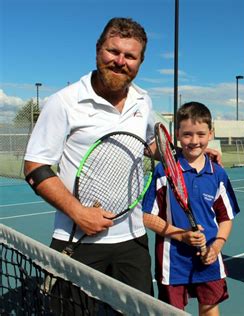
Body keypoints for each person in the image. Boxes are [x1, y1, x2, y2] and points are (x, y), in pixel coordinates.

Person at [23, 17, 156, 294]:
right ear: (98, 50)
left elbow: (149, 145)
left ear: (140, 63)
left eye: (130, 56)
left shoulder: (143, 100)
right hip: (76, 240)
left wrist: (189, 152)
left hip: (133, 241)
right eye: (113, 51)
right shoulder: (64, 102)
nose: (121, 61)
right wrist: (78, 212)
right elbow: (35, 166)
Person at [142, 101, 240, 316]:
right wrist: (181, 235)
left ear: (210, 133)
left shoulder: (218, 173)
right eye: (187, 134)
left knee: (210, 308)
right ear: (177, 134)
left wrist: (216, 248)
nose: (194, 141)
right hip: (173, 262)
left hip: (209, 259)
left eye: (201, 134)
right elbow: (147, 217)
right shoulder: (164, 171)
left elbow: (225, 218)